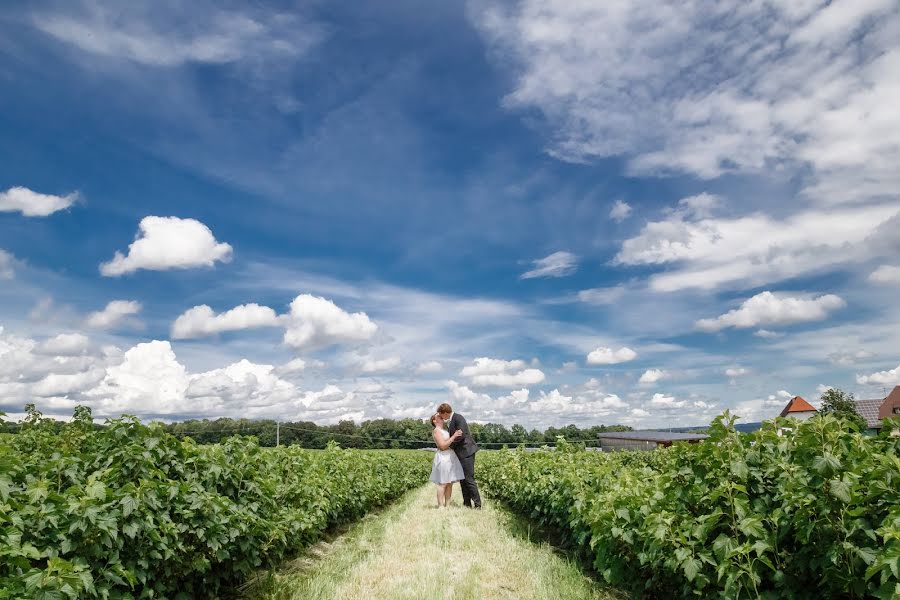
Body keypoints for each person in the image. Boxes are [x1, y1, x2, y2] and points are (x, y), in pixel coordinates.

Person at [437, 403, 481, 508]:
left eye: (441, 415)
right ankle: (466, 503)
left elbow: (461, 436)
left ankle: (478, 505)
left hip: (466, 452)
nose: (441, 417)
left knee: (469, 478)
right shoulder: (452, 420)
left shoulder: (458, 418)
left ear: (445, 413)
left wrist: (448, 445)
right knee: (462, 478)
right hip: (461, 453)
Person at [429, 412, 464, 508]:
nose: (441, 416)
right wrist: (454, 436)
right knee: (443, 483)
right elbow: (443, 446)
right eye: (438, 416)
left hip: (450, 456)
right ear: (434, 420)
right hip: (443, 457)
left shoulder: (444, 430)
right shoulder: (436, 431)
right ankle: (440, 506)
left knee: (449, 482)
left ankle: (447, 505)